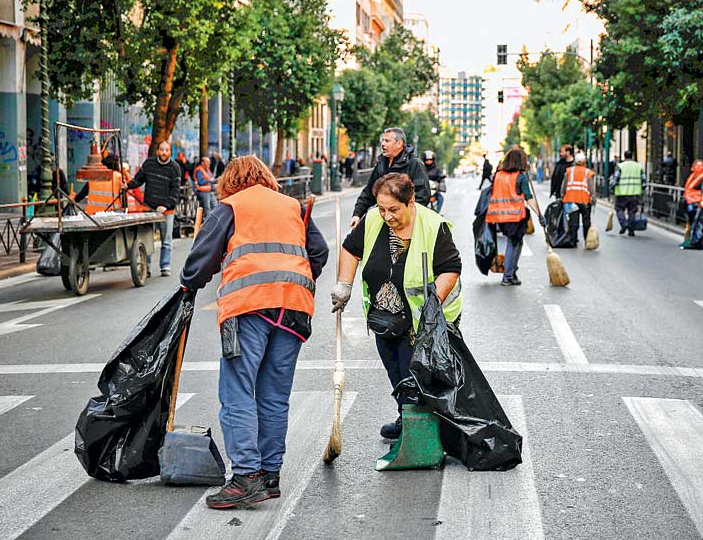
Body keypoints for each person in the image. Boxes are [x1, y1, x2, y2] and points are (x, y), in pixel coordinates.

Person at [180, 155, 328, 508]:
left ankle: (246, 476)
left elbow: (200, 262)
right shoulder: (292, 206)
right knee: (274, 395)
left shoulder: (230, 207)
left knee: (238, 392)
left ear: (230, 181)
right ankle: (269, 475)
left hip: (248, 306)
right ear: (265, 178)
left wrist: (190, 284)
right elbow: (318, 253)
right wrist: (295, 280)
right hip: (294, 307)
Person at [331, 173, 461, 439]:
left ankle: (422, 427)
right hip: (385, 317)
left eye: (393, 209)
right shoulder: (372, 221)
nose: (387, 216)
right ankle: (407, 418)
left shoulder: (433, 226)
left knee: (416, 377)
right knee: (397, 373)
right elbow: (350, 249)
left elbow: (450, 268)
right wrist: (344, 284)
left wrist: (432, 307)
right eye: (381, 209)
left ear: (410, 201)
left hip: (423, 319)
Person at [485, 147, 546, 285]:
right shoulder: (520, 176)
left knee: (516, 242)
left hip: (499, 217)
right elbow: (529, 198)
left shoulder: (498, 175)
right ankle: (507, 276)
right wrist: (539, 214)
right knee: (513, 243)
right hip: (515, 216)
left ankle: (511, 273)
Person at [350, 128, 430, 228]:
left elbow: (422, 196)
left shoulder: (414, 164)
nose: (383, 144)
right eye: (382, 140)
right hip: (383, 221)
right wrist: (357, 214)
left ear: (399, 144)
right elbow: (369, 191)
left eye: (387, 141)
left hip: (405, 224)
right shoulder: (381, 164)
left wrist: (404, 217)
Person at [126, 140, 183, 277]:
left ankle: (165, 266)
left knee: (166, 240)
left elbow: (175, 191)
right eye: (161, 150)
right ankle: (147, 268)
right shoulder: (149, 164)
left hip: (166, 211)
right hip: (149, 209)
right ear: (157, 151)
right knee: (148, 240)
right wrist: (127, 186)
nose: (164, 153)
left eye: (167, 150)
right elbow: (138, 180)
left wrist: (166, 206)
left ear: (170, 152)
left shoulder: (175, 168)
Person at [559, 152, 595, 247]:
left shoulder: (569, 171)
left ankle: (573, 241)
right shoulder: (588, 172)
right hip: (585, 200)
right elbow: (591, 187)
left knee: (573, 222)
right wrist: (593, 197)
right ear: (584, 162)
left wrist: (562, 195)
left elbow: (564, 185)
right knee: (586, 221)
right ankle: (588, 241)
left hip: (571, 200)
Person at [680, 160, 703, 252]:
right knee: (694, 222)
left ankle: (697, 241)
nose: (698, 167)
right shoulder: (692, 176)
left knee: (698, 222)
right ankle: (701, 241)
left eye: (700, 166)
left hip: (697, 202)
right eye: (697, 165)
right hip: (690, 202)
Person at [611, 150, 645, 236]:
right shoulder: (638, 166)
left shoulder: (620, 166)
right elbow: (644, 181)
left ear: (624, 156)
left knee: (619, 209)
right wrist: (642, 190)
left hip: (622, 193)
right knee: (632, 212)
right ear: (632, 156)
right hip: (635, 193)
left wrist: (611, 188)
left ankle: (624, 223)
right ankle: (631, 230)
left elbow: (615, 179)